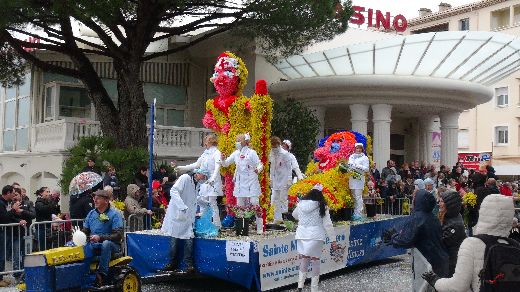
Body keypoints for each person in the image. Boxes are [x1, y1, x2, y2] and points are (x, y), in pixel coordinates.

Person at [423, 194, 515, 291]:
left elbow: (458, 286)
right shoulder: (515, 245)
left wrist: (435, 281)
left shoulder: (472, 244)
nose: (440, 204)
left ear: (483, 211)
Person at [384, 186, 449, 278]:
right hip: (439, 258)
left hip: (429, 262)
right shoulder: (432, 217)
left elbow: (406, 239)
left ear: (419, 201)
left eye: (414, 198)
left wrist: (393, 237)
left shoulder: (418, 218)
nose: (413, 200)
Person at [161, 168, 209, 274]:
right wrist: (182, 207)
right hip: (178, 214)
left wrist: (208, 203)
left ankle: (189, 264)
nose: (205, 179)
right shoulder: (185, 178)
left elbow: (196, 198)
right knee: (174, 240)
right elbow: (174, 191)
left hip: (187, 217)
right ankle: (172, 263)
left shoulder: (197, 184)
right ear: (198, 173)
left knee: (189, 239)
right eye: (204, 176)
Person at [292, 185, 336, 292]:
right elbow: (328, 224)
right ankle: (314, 289)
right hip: (316, 236)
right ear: (320, 195)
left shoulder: (301, 204)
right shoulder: (322, 205)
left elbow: (294, 215)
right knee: (315, 261)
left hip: (302, 234)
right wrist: (333, 240)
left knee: (305, 259)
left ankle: (300, 286)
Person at [175, 133, 223, 228]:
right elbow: (196, 165)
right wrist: (182, 168)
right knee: (201, 201)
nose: (204, 143)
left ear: (209, 142)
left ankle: (216, 225)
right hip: (204, 181)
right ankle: (204, 224)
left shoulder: (217, 153)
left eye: (206, 141)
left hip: (213, 181)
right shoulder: (205, 153)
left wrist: (213, 178)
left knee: (212, 202)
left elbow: (218, 165)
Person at [221, 133, 264, 234]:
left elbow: (260, 164)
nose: (237, 142)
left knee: (254, 203)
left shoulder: (252, 152)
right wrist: (222, 159)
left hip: (251, 181)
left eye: (239, 140)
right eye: (236, 140)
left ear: (245, 141)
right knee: (240, 206)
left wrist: (258, 169)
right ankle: (242, 228)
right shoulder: (235, 153)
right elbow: (226, 163)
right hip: (240, 183)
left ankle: (260, 227)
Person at [82, 190, 124, 286]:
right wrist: (77, 236)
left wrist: (100, 237)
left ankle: (102, 275)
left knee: (106, 244)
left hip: (113, 246)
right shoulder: (91, 214)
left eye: (98, 198)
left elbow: (118, 235)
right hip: (95, 245)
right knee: (81, 246)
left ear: (106, 200)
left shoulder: (115, 214)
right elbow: (85, 231)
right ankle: (82, 273)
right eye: (94, 198)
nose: (95, 200)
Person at [0, 185, 27, 287]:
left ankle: (1, 277)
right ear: (7, 193)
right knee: (1, 256)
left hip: (4, 232)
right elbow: (4, 219)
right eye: (12, 193)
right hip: (2, 231)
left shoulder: (5, 202)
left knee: (2, 256)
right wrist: (13, 210)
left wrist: (18, 220)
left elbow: (9, 218)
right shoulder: (1, 203)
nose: (13, 196)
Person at [438, 191, 466, 276]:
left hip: (452, 263)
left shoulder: (454, 225)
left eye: (442, 201)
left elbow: (441, 242)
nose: (439, 204)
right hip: (448, 260)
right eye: (439, 201)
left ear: (450, 204)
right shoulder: (450, 216)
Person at [270, 136, 294, 223]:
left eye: (275, 146)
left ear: (278, 145)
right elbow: (272, 167)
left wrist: (289, 179)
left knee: (283, 199)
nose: (274, 148)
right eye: (272, 147)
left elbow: (289, 168)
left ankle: (285, 217)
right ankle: (277, 218)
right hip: (276, 179)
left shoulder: (285, 154)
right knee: (275, 199)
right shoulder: (271, 153)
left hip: (284, 179)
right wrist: (271, 179)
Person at [348, 143, 369, 221]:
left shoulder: (364, 158)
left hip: (359, 180)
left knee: (358, 197)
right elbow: (349, 166)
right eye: (357, 148)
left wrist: (356, 166)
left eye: (360, 148)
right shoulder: (351, 157)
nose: (358, 150)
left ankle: (359, 213)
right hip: (352, 179)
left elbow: (366, 169)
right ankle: (355, 212)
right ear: (355, 149)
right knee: (354, 196)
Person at [35, 187, 61, 251]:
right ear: (41, 193)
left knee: (49, 245)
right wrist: (52, 202)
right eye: (47, 192)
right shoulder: (38, 202)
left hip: (48, 227)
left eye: (49, 192)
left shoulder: (48, 202)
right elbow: (44, 209)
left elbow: (55, 212)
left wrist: (56, 203)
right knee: (42, 246)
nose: (48, 193)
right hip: (41, 227)